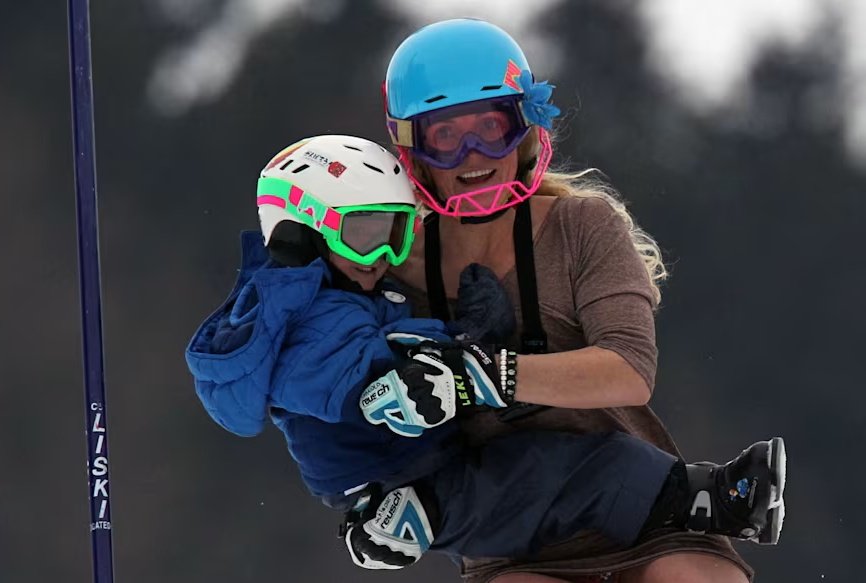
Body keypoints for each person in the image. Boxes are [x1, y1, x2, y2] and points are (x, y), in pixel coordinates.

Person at [184, 135, 785, 576]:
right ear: (300, 231)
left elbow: (409, 349)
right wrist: (426, 365)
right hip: (400, 479)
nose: (378, 256)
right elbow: (350, 379)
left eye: (395, 234)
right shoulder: (290, 321)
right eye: (363, 234)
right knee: (564, 475)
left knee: (578, 463)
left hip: (429, 461)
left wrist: (470, 342)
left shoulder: (349, 292)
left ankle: (707, 498)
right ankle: (710, 498)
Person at [376, 18, 785, 583]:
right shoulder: (393, 263)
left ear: (523, 130)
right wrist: (366, 500)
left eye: (490, 127)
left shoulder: (581, 227)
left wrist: (483, 378)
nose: (472, 154)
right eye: (446, 135)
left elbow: (629, 369)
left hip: (646, 513)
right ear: (413, 149)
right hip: (512, 542)